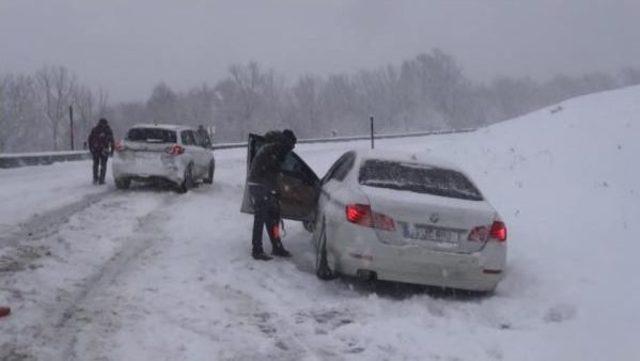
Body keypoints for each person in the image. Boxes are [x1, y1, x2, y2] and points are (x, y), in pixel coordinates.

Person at [247, 129, 297, 260]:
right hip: (260, 186)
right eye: (292, 146)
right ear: (288, 142)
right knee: (260, 218)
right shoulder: (277, 148)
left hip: (258, 184)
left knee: (272, 218)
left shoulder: (271, 146)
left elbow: (271, 170)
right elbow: (272, 171)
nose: (291, 149)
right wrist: (275, 189)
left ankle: (277, 246)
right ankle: (257, 250)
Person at [87, 118, 115, 185]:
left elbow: (90, 140)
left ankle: (95, 178)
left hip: (96, 149)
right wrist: (112, 150)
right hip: (104, 149)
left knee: (95, 164)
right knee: (103, 165)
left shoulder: (95, 129)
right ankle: (101, 180)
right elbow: (112, 141)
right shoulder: (108, 130)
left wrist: (91, 149)